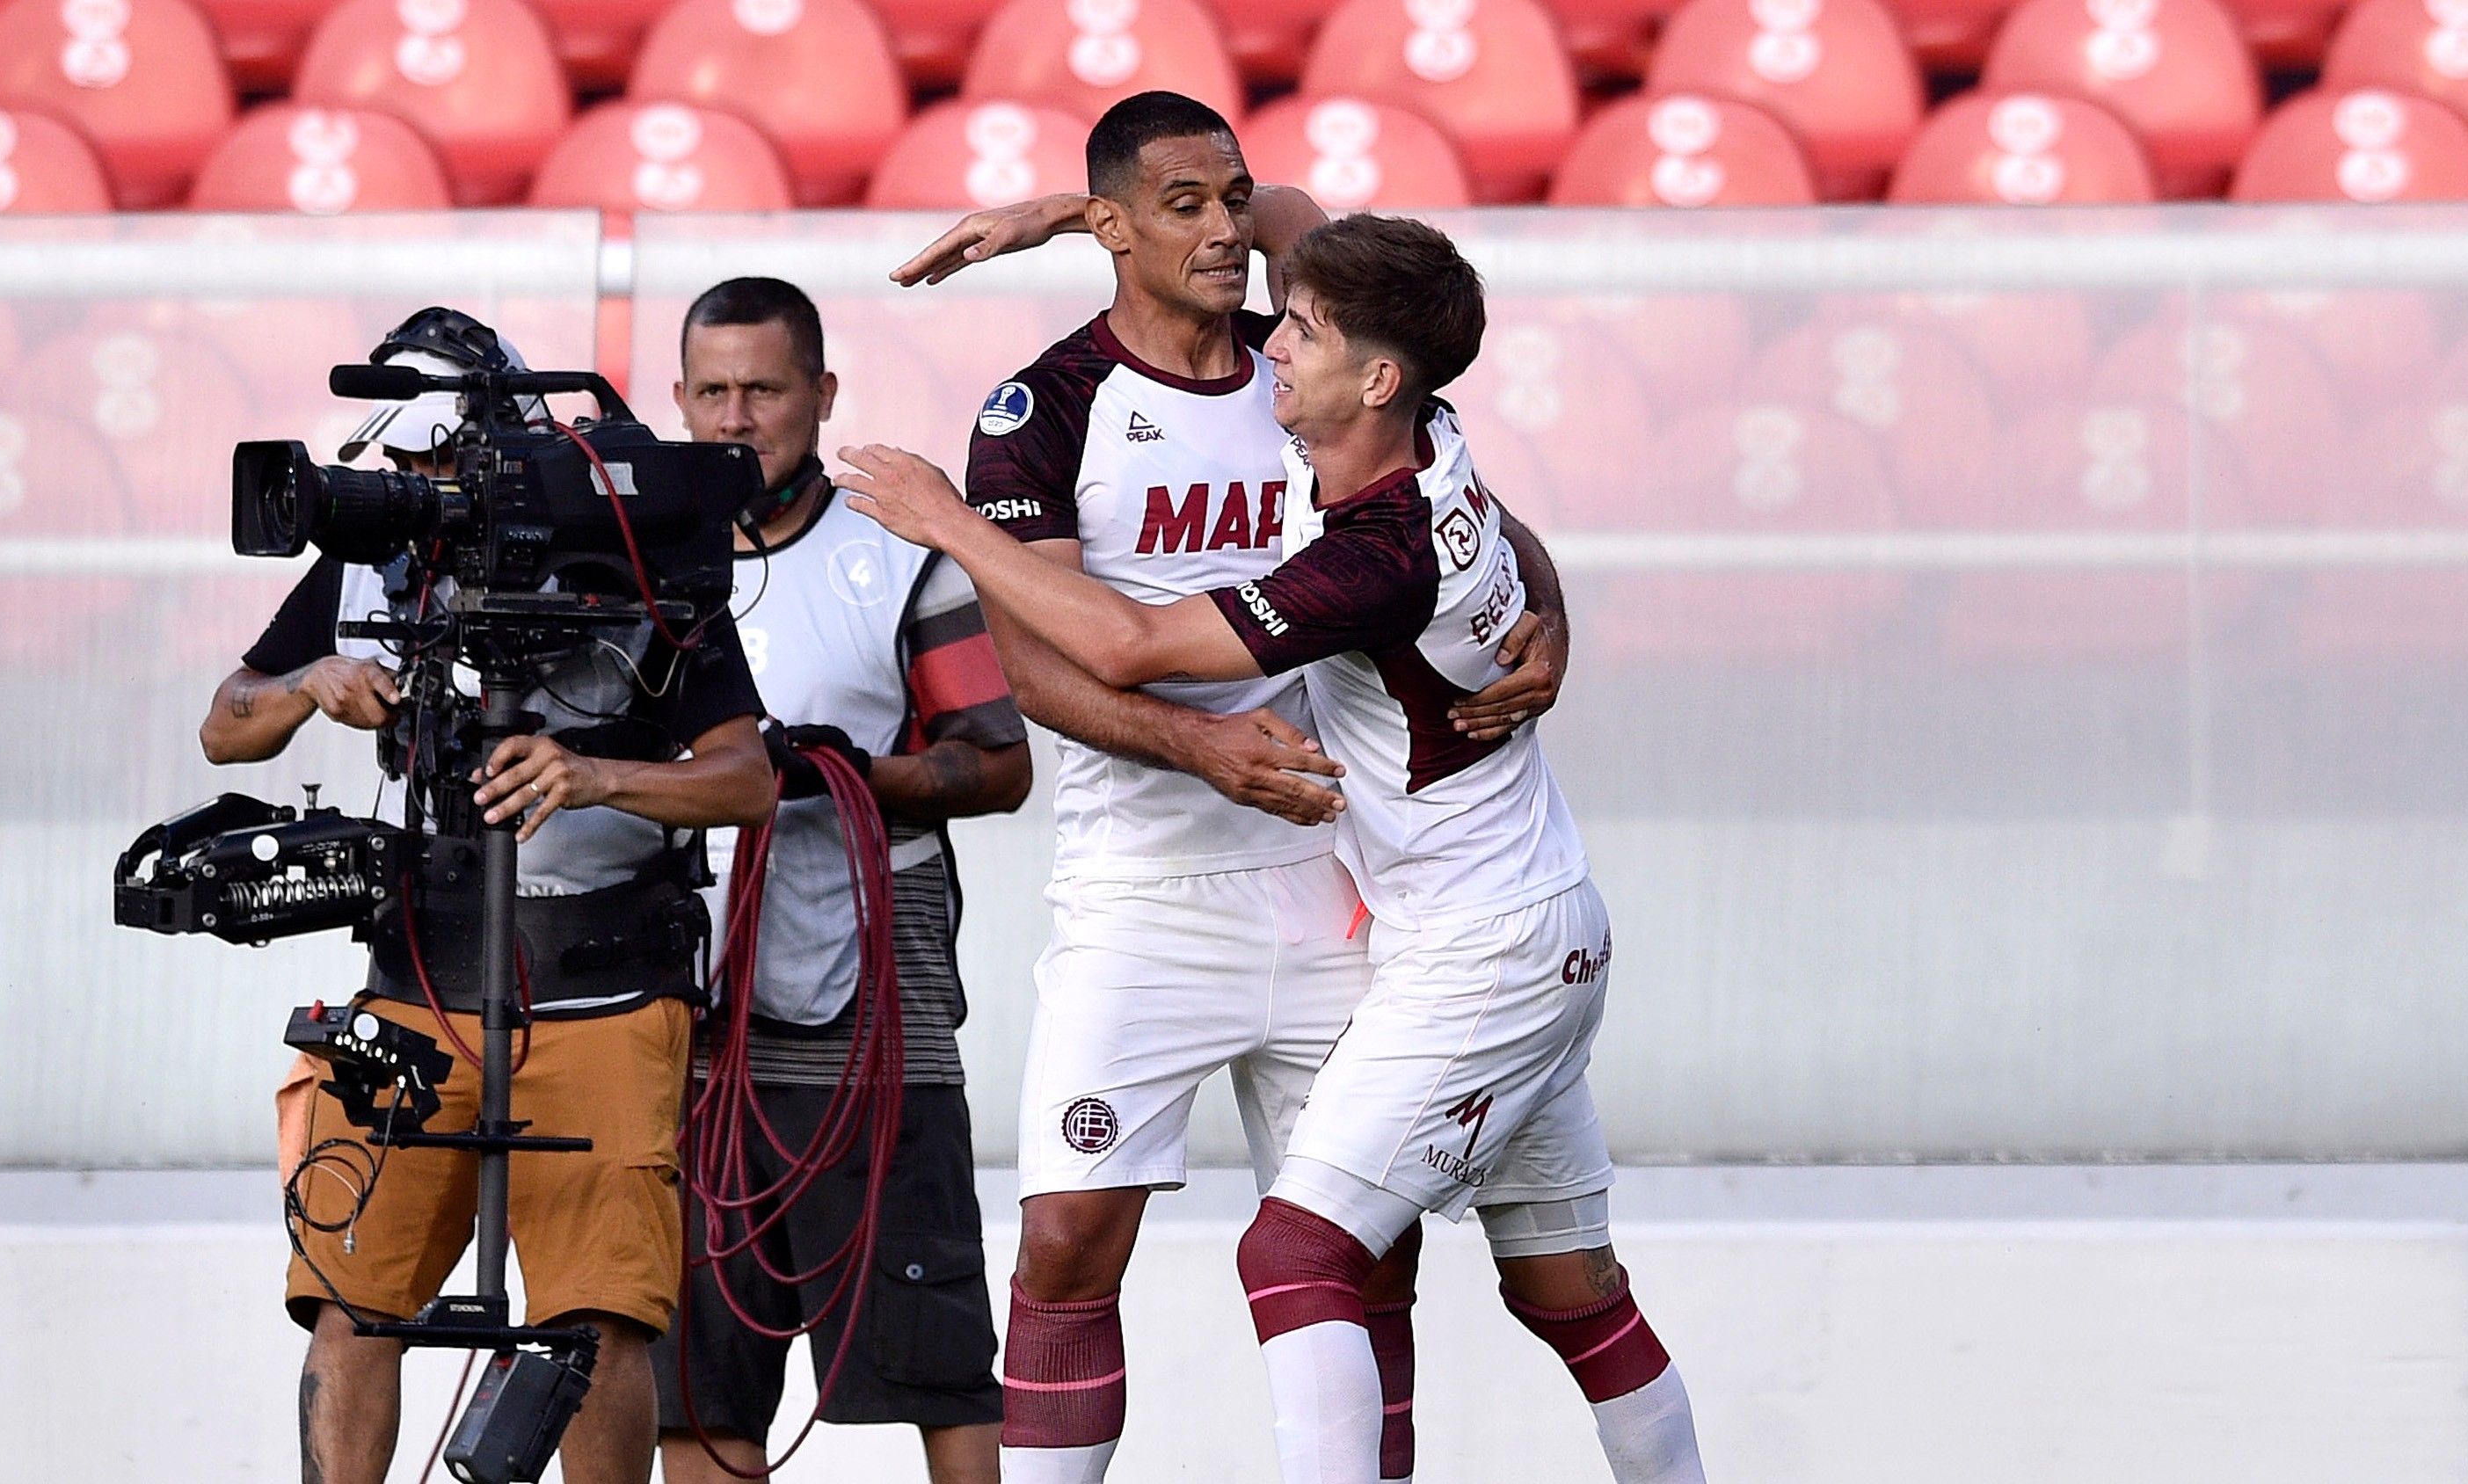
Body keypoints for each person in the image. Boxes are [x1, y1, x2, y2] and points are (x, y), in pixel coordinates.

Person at [838, 214, 1707, 1484]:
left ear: (1377, 377)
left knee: (1295, 1255)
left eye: (1300, 331)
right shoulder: (1428, 446)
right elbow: (1297, 220)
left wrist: (948, 522)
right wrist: (1078, 215)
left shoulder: (1371, 554)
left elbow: (1129, 649)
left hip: (1480, 955)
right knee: (1574, 1297)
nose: (1269, 341)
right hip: (1527, 920)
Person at [200, 308, 777, 1484]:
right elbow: (225, 727)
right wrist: (314, 680)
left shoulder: (638, 546)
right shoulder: (370, 552)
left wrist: (595, 774)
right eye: (402, 468)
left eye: (440, 465)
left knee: (596, 1317)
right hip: (420, 982)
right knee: (352, 1300)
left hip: (609, 987)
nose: (420, 491)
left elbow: (750, 779)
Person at [652, 277, 1030, 1484]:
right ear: (679, 400)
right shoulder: (637, 561)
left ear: (821, 396)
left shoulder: (902, 550)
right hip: (688, 1021)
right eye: (712, 391)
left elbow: (998, 765)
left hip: (878, 1014)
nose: (736, 417)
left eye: (764, 389)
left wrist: (844, 776)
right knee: (698, 1374)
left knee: (939, 1352)